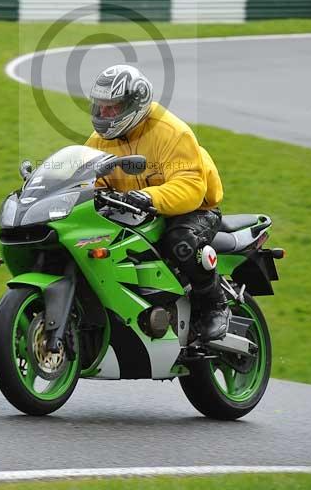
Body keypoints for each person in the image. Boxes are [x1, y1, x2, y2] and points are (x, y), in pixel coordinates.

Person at [85, 63, 230, 342]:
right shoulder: (98, 141)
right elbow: (89, 179)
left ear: (134, 103)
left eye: (112, 107)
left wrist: (150, 197)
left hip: (194, 209)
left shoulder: (172, 132)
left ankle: (214, 305)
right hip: (134, 210)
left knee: (179, 241)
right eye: (100, 106)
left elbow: (190, 186)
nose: (104, 114)